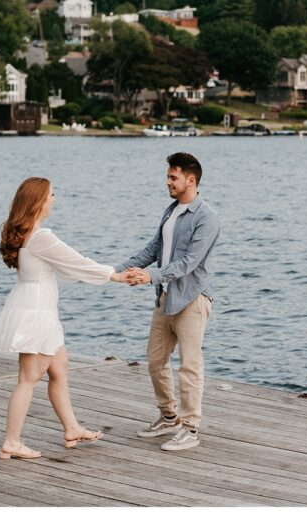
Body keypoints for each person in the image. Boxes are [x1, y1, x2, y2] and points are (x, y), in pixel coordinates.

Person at [0, 177, 133, 460]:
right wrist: (113, 275)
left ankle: (72, 428)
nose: (54, 199)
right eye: (52, 194)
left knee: (60, 367)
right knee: (28, 378)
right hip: (37, 313)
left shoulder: (29, 234)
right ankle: (12, 441)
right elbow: (75, 261)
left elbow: (64, 266)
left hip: (37, 309)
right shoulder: (41, 237)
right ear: (39, 201)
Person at [119, 152, 221, 452]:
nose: (168, 182)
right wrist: (116, 271)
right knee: (155, 361)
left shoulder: (207, 218)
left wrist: (149, 276)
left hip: (192, 299)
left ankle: (190, 428)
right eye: (168, 177)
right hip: (165, 298)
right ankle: (169, 417)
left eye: (173, 178)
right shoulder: (171, 210)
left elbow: (188, 263)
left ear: (191, 180)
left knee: (189, 367)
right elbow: (153, 248)